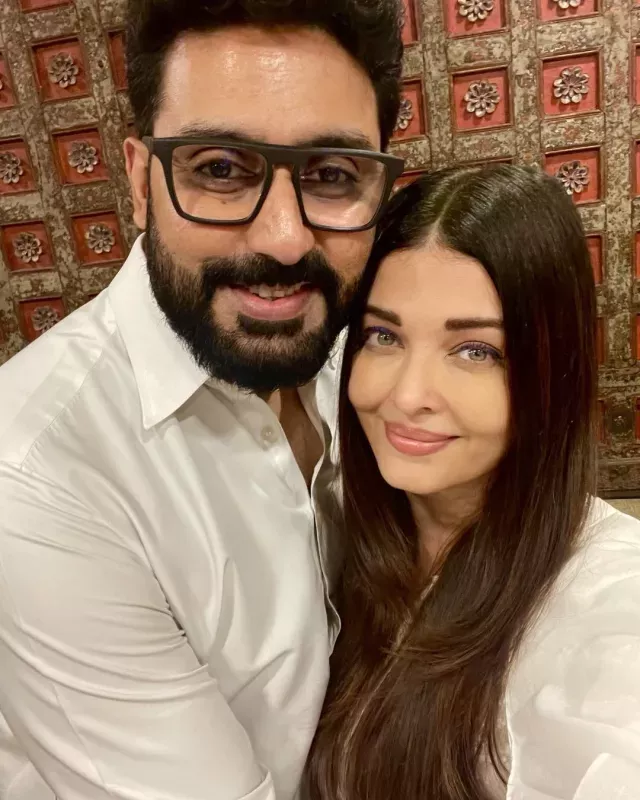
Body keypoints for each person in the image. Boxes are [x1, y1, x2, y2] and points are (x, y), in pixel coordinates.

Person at [0, 1, 405, 798]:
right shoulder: (35, 476)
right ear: (139, 183)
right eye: (220, 169)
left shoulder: (362, 345)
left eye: (332, 175)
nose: (284, 239)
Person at [306, 165, 640, 800]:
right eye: (383, 336)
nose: (408, 394)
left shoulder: (607, 605)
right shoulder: (335, 530)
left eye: (476, 350)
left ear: (552, 371)